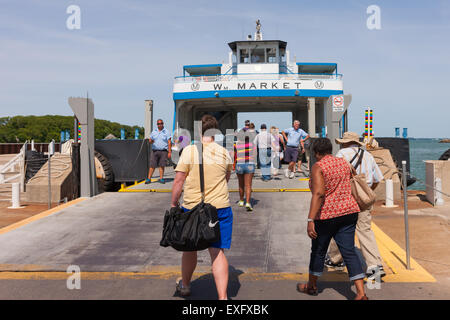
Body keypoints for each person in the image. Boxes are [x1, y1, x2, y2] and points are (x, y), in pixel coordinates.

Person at [171, 115, 233, 300]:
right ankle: (222, 297)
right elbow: (226, 178)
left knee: (190, 248)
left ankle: (186, 286)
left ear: (200, 131)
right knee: (217, 252)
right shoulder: (224, 152)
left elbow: (179, 180)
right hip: (219, 208)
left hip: (192, 208)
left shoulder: (189, 151)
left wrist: (174, 203)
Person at [297, 138, 368, 300]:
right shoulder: (343, 163)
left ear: (316, 152)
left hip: (327, 215)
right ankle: (361, 293)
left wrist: (310, 220)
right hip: (349, 212)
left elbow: (319, 193)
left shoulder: (318, 167)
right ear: (330, 149)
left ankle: (312, 286)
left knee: (318, 251)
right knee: (349, 251)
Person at [325, 131, 385, 281]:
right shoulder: (368, 155)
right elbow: (378, 178)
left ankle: (336, 259)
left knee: (339, 229)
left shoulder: (341, 154)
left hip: (346, 198)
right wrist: (366, 191)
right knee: (365, 230)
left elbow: (334, 176)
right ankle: (375, 266)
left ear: (344, 142)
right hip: (364, 199)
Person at [234, 129, 257, 211]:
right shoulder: (252, 144)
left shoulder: (236, 144)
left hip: (239, 164)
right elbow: (254, 155)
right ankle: (247, 202)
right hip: (249, 164)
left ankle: (241, 201)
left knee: (240, 184)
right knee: (248, 185)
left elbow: (234, 155)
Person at [146, 119, 171, 184]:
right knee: (152, 165)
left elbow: (169, 142)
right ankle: (149, 179)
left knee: (162, 165)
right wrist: (150, 141)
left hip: (163, 151)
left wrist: (169, 152)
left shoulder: (166, 132)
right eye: (158, 124)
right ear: (157, 124)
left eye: (161, 123)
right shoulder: (154, 132)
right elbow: (150, 140)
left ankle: (161, 178)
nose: (160, 125)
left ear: (163, 124)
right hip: (154, 151)